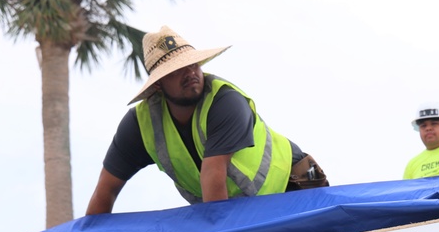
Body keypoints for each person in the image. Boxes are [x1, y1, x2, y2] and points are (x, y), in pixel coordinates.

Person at [86, 25, 328, 214]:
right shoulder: (139, 126)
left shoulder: (225, 102)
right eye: (177, 70)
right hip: (235, 210)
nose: (190, 73)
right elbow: (105, 191)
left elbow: (213, 174)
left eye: (193, 64)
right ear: (158, 84)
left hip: (294, 186)